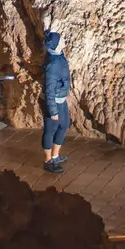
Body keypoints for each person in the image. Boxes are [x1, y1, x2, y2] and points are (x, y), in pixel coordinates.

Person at [40, 28, 72, 172]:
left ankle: (55, 155)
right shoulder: (52, 66)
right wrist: (52, 111)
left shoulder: (58, 55)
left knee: (64, 125)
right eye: (61, 40)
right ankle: (48, 161)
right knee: (50, 129)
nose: (64, 41)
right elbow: (49, 90)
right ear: (56, 45)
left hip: (61, 98)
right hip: (54, 102)